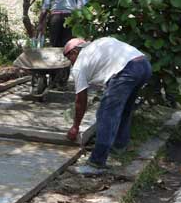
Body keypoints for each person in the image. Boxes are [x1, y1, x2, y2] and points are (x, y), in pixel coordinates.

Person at [64, 37, 152, 172]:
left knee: (105, 115)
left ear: (74, 52)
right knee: (124, 110)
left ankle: (96, 163)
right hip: (143, 65)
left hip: (126, 71)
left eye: (69, 58)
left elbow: (81, 100)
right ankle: (119, 147)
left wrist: (75, 126)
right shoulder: (99, 43)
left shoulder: (80, 65)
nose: (70, 62)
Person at [37, 0, 85, 89]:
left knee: (54, 46)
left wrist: (41, 23)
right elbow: (80, 8)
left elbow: (45, 7)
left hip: (55, 18)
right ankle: (62, 81)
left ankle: (53, 79)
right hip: (71, 18)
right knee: (68, 48)